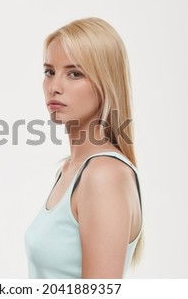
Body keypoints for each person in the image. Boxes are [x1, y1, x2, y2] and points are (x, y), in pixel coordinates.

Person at [25, 17, 143, 279]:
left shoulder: (104, 175)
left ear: (106, 82)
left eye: (74, 73)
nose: (54, 87)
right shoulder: (70, 170)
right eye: (49, 72)